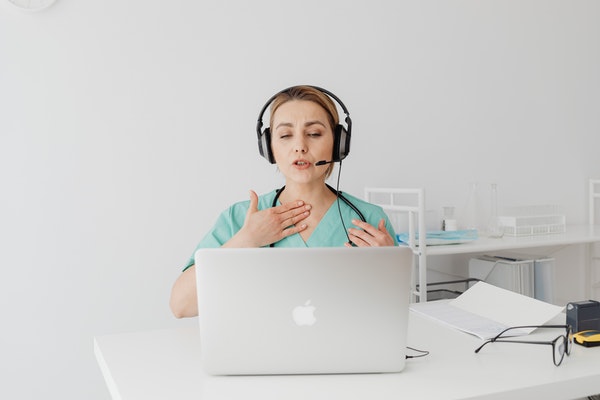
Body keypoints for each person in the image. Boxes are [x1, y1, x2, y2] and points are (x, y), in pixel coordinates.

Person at [169, 85, 397, 318]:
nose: (300, 146)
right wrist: (247, 240)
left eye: (315, 134)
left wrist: (389, 269)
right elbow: (181, 306)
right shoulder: (240, 218)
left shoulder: (370, 220)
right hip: (260, 353)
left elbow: (392, 312)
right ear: (269, 147)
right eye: (286, 135)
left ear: (339, 143)